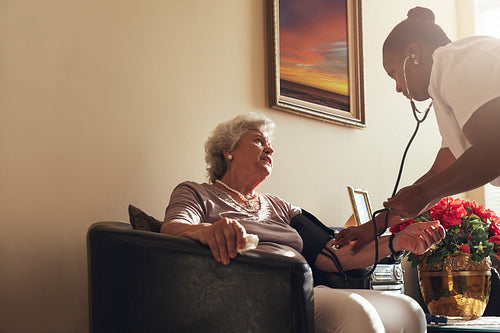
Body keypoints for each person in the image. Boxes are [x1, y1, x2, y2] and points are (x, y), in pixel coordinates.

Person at [161, 112, 445, 333]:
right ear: (227, 150)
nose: (269, 150)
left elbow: (333, 256)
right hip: (247, 291)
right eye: (258, 141)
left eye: (270, 145)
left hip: (302, 287)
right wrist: (211, 230)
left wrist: (397, 241)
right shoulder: (196, 192)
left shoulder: (280, 206)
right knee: (357, 312)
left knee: (408, 311)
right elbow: (172, 229)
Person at [336, 6, 500, 253]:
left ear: (413, 54)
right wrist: (374, 226)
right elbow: (440, 172)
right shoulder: (448, 85)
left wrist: (424, 192)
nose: (398, 88)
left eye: (393, 74)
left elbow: (493, 150)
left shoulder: (455, 61)